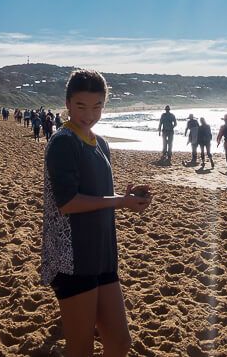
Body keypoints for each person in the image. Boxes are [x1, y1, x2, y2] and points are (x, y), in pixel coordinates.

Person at [41, 69, 151, 357]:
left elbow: (100, 194)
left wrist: (131, 199)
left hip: (102, 254)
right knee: (81, 348)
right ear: (67, 103)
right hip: (72, 258)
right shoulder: (63, 142)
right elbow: (68, 203)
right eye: (81, 106)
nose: (89, 114)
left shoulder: (100, 143)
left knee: (119, 342)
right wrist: (119, 202)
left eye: (97, 106)